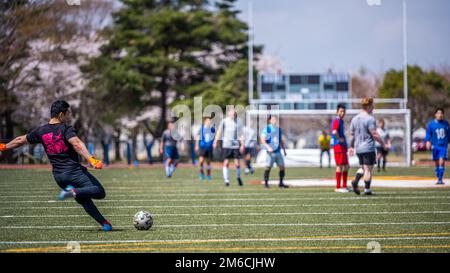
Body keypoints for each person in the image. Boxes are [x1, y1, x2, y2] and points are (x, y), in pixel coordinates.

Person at [0, 100, 112, 231]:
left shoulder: (41, 131)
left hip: (59, 177)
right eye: (68, 113)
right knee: (99, 192)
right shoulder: (65, 129)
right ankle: (73, 191)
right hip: (74, 172)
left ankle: (104, 223)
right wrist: (91, 160)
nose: (69, 116)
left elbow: (20, 140)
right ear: (60, 115)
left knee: (84, 199)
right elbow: (76, 143)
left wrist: (3, 147)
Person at [349, 98, 386, 195]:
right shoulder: (370, 118)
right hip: (368, 147)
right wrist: (383, 143)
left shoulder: (354, 119)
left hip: (358, 148)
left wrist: (351, 147)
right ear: (368, 106)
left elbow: (352, 135)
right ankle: (367, 190)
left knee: (363, 167)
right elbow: (374, 134)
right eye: (372, 105)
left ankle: (355, 181)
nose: (373, 108)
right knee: (368, 169)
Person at [213, 109, 245, 187]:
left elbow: (241, 134)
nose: (232, 115)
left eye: (234, 114)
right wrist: (215, 141)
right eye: (231, 114)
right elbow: (219, 132)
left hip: (235, 145)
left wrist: (242, 144)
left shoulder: (238, 122)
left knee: (237, 163)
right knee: (226, 163)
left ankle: (238, 177)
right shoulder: (224, 121)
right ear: (228, 114)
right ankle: (226, 180)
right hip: (226, 145)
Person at [260, 115, 288, 189]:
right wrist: (268, 148)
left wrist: (284, 150)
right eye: (273, 119)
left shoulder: (279, 129)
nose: (274, 121)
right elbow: (262, 140)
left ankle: (281, 183)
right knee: (268, 167)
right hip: (270, 152)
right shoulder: (267, 129)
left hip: (278, 151)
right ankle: (266, 184)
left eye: (275, 119)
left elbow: (280, 140)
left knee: (282, 167)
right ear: (269, 120)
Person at [425, 108, 450, 185]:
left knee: (442, 161)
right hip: (435, 146)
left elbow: (449, 134)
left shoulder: (446, 123)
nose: (440, 115)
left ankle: (440, 179)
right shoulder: (431, 124)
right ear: (435, 114)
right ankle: (438, 174)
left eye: (441, 113)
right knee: (436, 163)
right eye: (438, 113)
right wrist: (428, 141)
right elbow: (428, 134)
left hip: (443, 146)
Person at [330, 104, 350, 193]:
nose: (343, 113)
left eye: (344, 111)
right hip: (338, 146)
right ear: (337, 112)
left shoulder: (341, 121)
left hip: (342, 146)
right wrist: (339, 139)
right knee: (340, 166)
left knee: (346, 166)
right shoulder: (336, 121)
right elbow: (334, 131)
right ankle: (338, 187)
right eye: (341, 111)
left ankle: (344, 186)